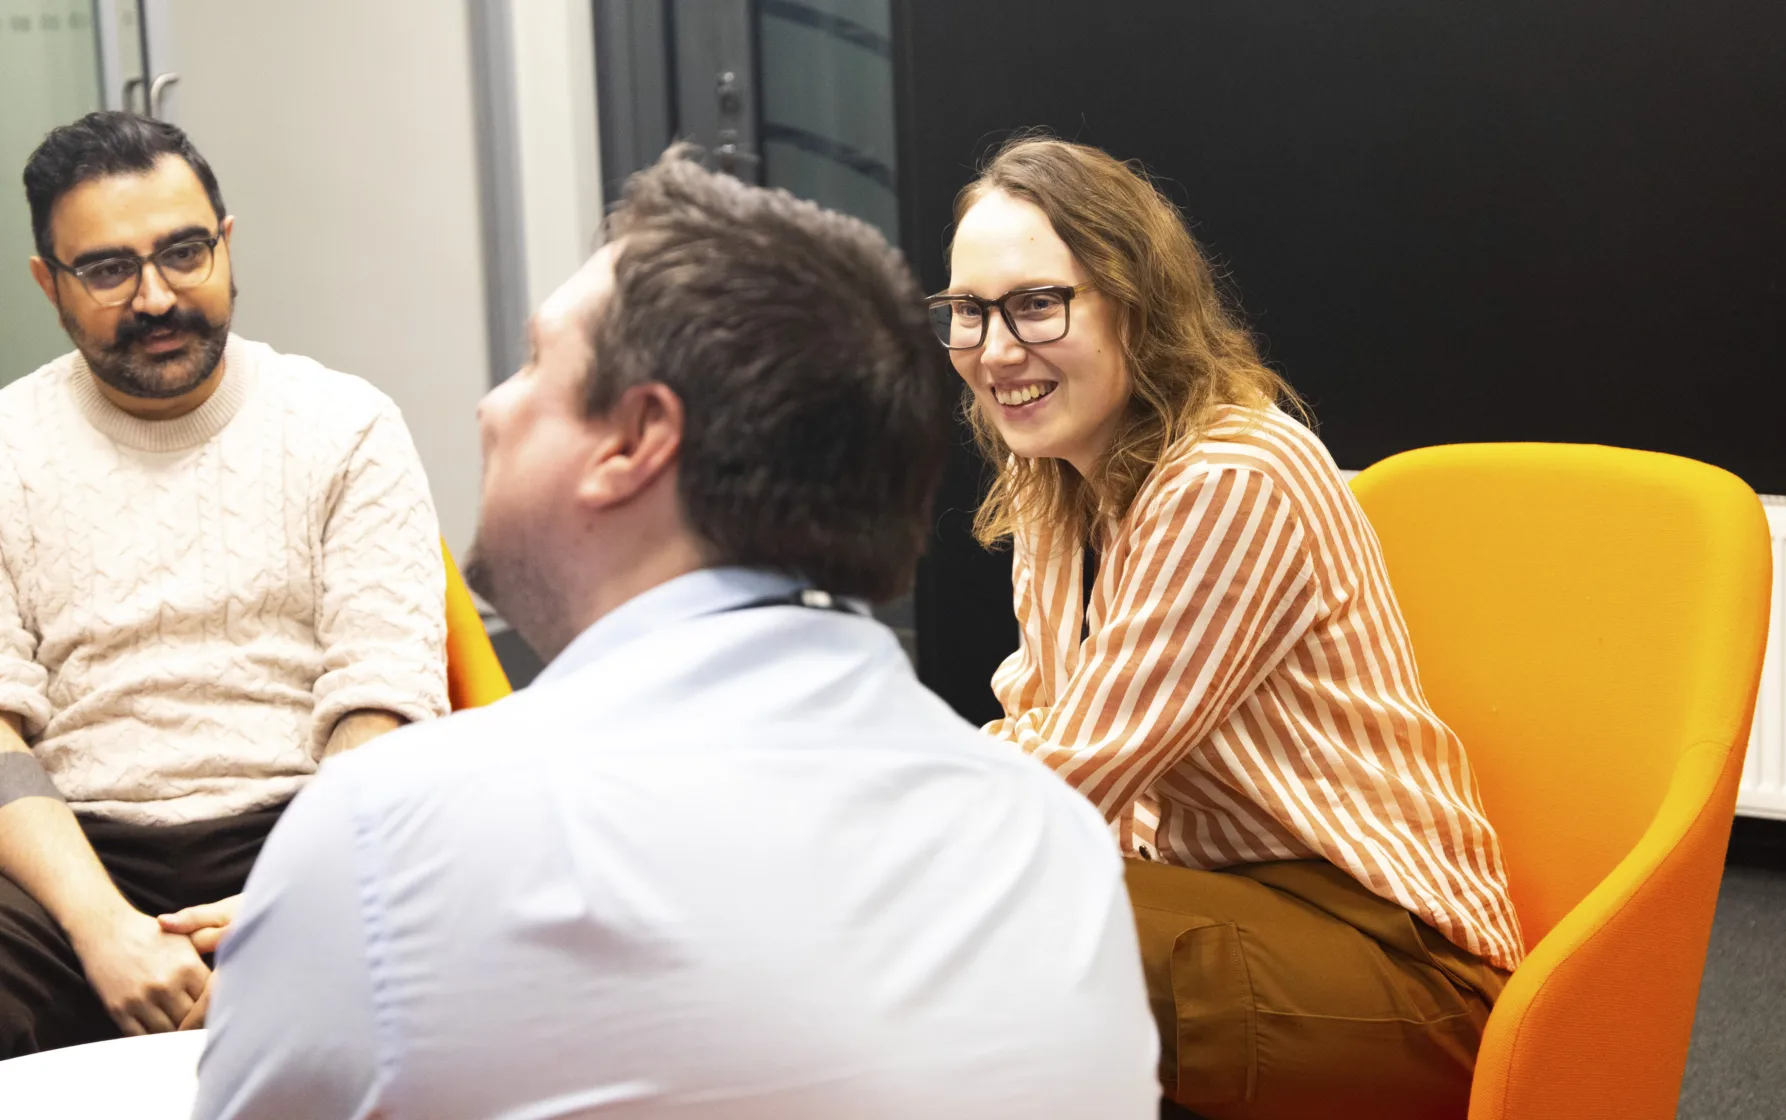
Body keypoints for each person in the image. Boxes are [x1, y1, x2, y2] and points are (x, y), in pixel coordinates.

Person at [191, 146, 1160, 1119]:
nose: (491, 408)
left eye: (534, 362)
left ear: (635, 439)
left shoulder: (383, 845)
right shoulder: (1060, 853)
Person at [933, 135, 1526, 1119]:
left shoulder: (1227, 478)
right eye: (967, 312)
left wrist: (851, 825)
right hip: (1233, 895)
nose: (996, 351)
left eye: (1037, 303)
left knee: (963, 930)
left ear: (1135, 300)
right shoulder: (1056, 477)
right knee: (961, 920)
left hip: (1405, 965)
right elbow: (1039, 726)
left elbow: (1073, 770)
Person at [0, 112, 448, 1057]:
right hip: (66, 846)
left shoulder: (347, 426)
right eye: (109, 269)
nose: (157, 297)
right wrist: (103, 929)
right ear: (51, 285)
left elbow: (385, 699)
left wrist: (292, 907)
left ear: (227, 243)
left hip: (304, 823)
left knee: (456, 965)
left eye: (185, 252)